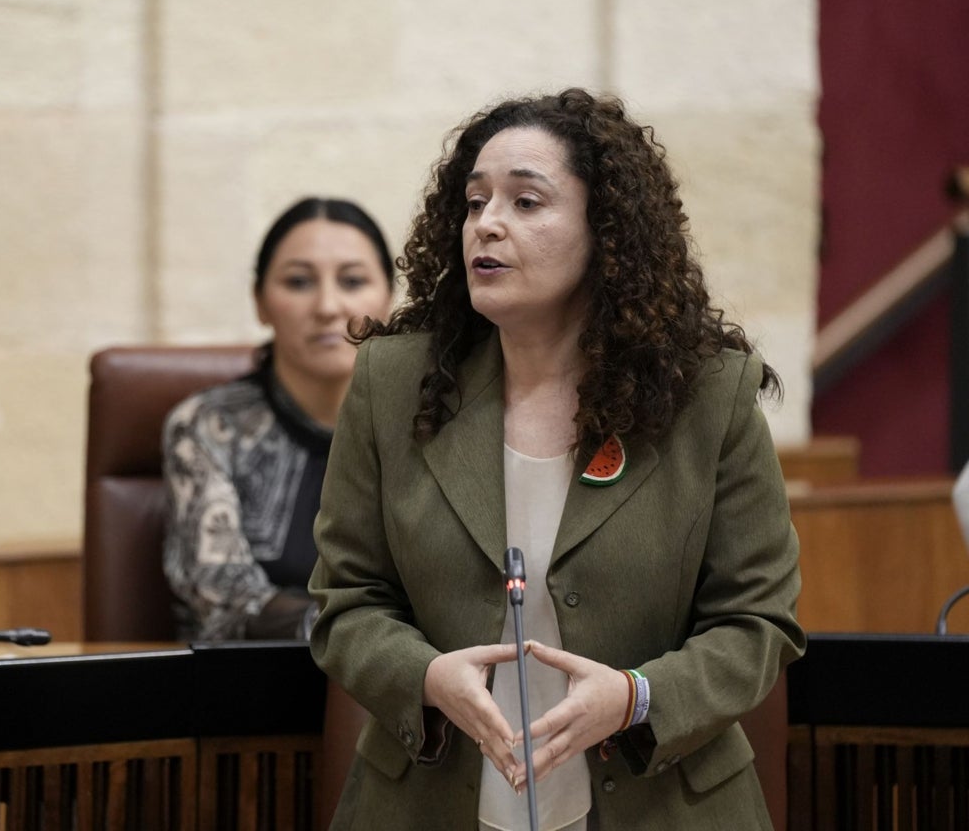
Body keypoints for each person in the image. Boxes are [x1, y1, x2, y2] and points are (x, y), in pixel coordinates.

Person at [308, 88, 806, 830]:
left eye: (527, 202)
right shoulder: (393, 381)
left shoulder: (707, 395)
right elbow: (345, 600)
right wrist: (426, 676)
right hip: (431, 801)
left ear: (605, 232)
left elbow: (758, 621)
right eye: (475, 203)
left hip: (656, 804)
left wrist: (638, 696)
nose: (488, 224)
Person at [162, 197, 394, 641]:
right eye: (299, 281)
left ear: (389, 295)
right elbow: (224, 601)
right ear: (261, 302)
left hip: (410, 692)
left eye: (352, 280)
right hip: (252, 688)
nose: (328, 306)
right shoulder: (209, 427)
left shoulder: (430, 421)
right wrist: (356, 636)